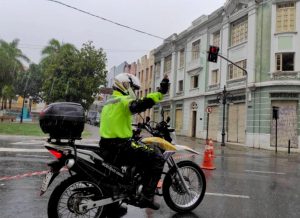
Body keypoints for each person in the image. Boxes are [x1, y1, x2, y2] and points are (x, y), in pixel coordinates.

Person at [99, 72, 169, 212]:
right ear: (125, 85)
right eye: (132, 87)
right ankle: (147, 197)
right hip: (120, 146)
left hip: (106, 145)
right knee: (157, 157)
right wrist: (160, 92)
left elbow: (116, 121)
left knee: (116, 176)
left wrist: (131, 131)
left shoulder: (110, 102)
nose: (134, 91)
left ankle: (112, 206)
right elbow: (139, 104)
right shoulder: (123, 100)